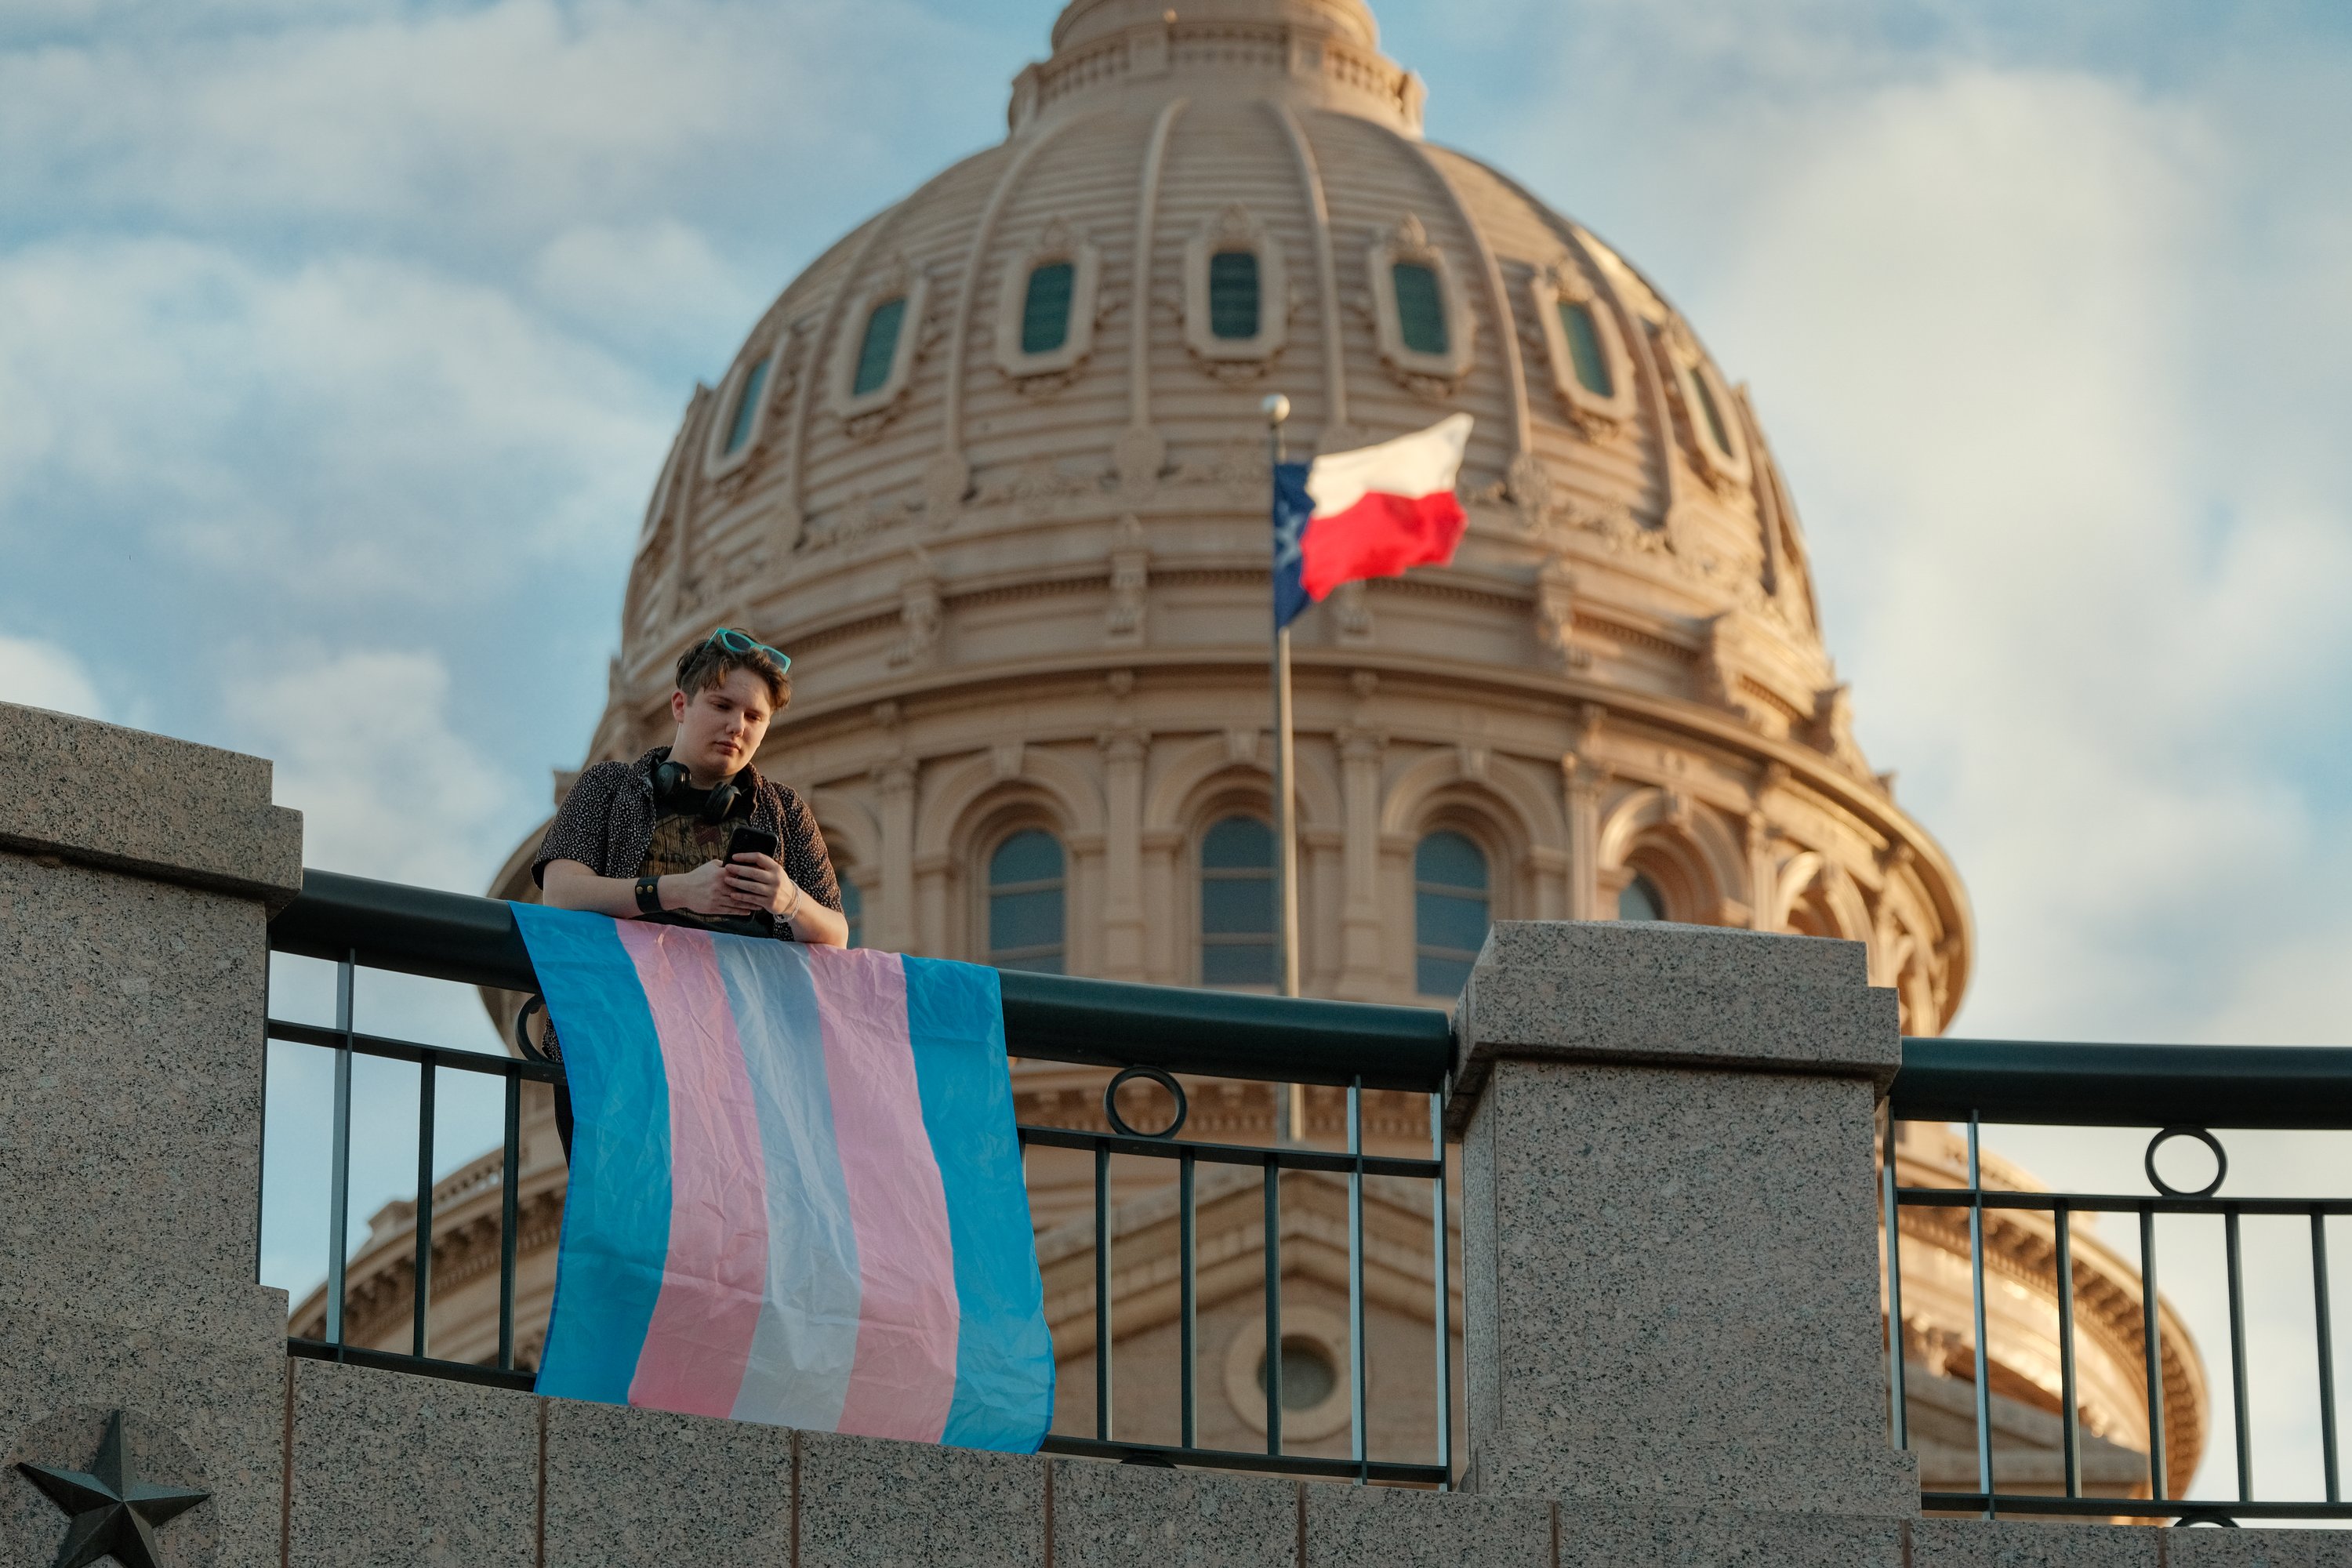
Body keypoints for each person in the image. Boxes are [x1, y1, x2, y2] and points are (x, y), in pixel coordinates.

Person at [527, 627, 848, 1149]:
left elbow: (836, 933)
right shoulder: (608, 786)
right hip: (617, 1044)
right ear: (681, 705)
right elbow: (561, 893)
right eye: (722, 706)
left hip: (742, 1064)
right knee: (623, 1197)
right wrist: (674, 892)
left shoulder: (785, 811)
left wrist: (788, 899)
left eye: (754, 717)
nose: (736, 726)